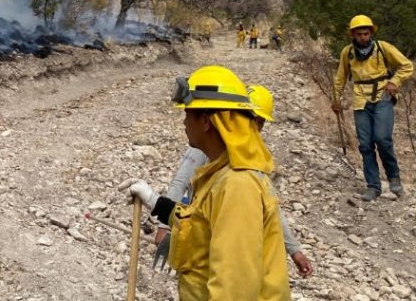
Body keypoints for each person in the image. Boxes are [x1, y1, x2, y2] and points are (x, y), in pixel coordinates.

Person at [121, 65, 290, 300]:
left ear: (206, 121)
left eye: (187, 115)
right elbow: (200, 223)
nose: (183, 123)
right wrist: (153, 200)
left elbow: (233, 289)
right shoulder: (219, 174)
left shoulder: (237, 186)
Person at [154, 85, 314, 278]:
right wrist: (164, 227)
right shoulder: (209, 144)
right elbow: (180, 182)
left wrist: (294, 251)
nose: (253, 127)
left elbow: (271, 207)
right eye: (249, 119)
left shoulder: (252, 158)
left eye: (259, 123)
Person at [331, 15, 414, 201]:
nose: (363, 37)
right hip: (360, 100)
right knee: (365, 145)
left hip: (383, 96)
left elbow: (407, 66)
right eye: (359, 34)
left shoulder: (382, 48)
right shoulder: (348, 53)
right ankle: (373, 186)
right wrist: (336, 100)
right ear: (353, 34)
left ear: (371, 33)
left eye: (366, 33)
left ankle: (394, 178)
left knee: (382, 139)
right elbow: (340, 78)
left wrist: (395, 81)